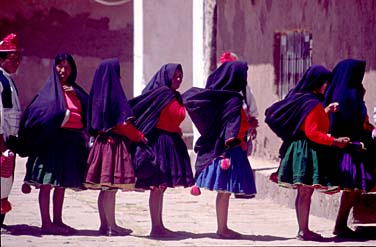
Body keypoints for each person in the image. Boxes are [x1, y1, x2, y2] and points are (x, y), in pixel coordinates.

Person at [265, 65, 350, 241]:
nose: (327, 86)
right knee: (305, 192)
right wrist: (335, 141)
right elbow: (312, 132)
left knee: (303, 192)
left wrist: (325, 111)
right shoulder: (312, 103)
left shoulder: (302, 99)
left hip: (298, 149)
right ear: (317, 82)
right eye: (326, 82)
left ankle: (303, 229)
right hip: (306, 151)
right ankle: (304, 230)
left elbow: (307, 122)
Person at [183, 61, 257, 239]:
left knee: (224, 192)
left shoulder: (218, 98)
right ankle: (222, 228)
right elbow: (232, 125)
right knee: (224, 192)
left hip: (220, 149)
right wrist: (248, 125)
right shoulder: (233, 99)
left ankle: (222, 227)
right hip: (228, 151)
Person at [18, 53, 89, 235]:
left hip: (70, 143)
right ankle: (46, 223)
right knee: (47, 183)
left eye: (67, 67)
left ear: (72, 69)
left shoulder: (75, 91)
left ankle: (58, 220)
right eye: (60, 66)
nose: (63, 70)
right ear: (54, 67)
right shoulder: (49, 92)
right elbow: (38, 113)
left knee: (61, 184)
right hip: (51, 143)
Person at [129, 63, 195, 237]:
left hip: (172, 143)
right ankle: (155, 226)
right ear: (167, 76)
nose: (178, 79)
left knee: (162, 187)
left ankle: (159, 224)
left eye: (181, 76)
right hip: (159, 143)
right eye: (175, 76)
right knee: (157, 186)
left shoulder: (176, 96)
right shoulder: (162, 94)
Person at [85, 58, 146, 236]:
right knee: (110, 188)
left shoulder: (96, 93)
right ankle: (112, 226)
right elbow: (122, 124)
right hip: (113, 146)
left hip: (100, 144)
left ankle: (104, 224)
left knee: (105, 189)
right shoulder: (113, 93)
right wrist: (139, 136)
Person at [323, 59, 376, 238]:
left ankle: (341, 224)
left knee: (353, 187)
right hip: (351, 148)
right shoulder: (349, 95)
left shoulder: (336, 91)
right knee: (353, 187)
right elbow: (353, 121)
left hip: (348, 146)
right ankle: (340, 224)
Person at [0, 33, 22, 228]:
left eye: (18, 59)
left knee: (6, 180)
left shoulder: (9, 80)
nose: (16, 63)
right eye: (12, 59)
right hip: (2, 140)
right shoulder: (0, 81)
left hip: (10, 140)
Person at [219, 51, 259, 156]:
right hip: (222, 141)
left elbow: (252, 111)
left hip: (241, 139)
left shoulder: (244, 89)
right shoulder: (217, 88)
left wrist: (251, 125)